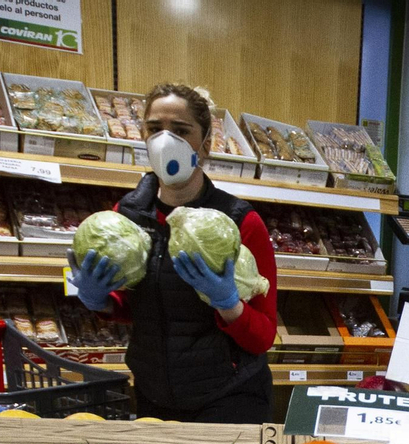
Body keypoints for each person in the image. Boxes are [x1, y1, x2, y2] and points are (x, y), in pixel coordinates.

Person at [68, 84, 277, 422]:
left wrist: (230, 305)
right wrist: (99, 300)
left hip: (227, 399)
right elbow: (142, 305)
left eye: (180, 131)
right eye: (154, 129)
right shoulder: (126, 214)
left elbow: (264, 335)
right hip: (153, 395)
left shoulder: (240, 222)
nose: (165, 141)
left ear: (205, 144)